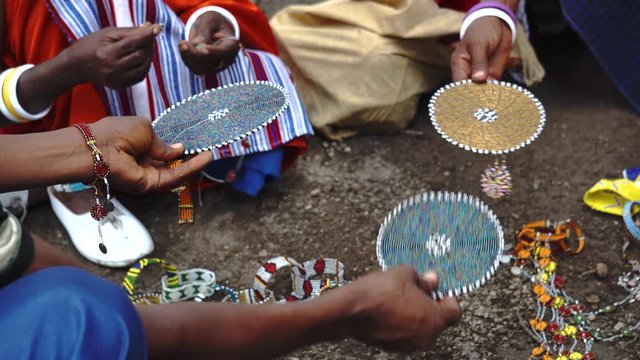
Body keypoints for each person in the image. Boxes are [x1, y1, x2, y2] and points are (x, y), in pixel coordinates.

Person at [0, 117, 461, 359]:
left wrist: (88, 147)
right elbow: (111, 328)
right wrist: (350, 312)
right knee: (80, 313)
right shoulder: (73, 319)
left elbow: (18, 258)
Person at [0, 0, 313, 267]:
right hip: (43, 96)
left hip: (163, 63)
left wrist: (210, 19)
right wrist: (69, 68)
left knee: (255, 93)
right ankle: (72, 174)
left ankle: (43, 175)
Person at [269, 0, 544, 140]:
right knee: (283, 34)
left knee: (374, 71)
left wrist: (493, 12)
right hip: (390, 9)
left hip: (467, 15)